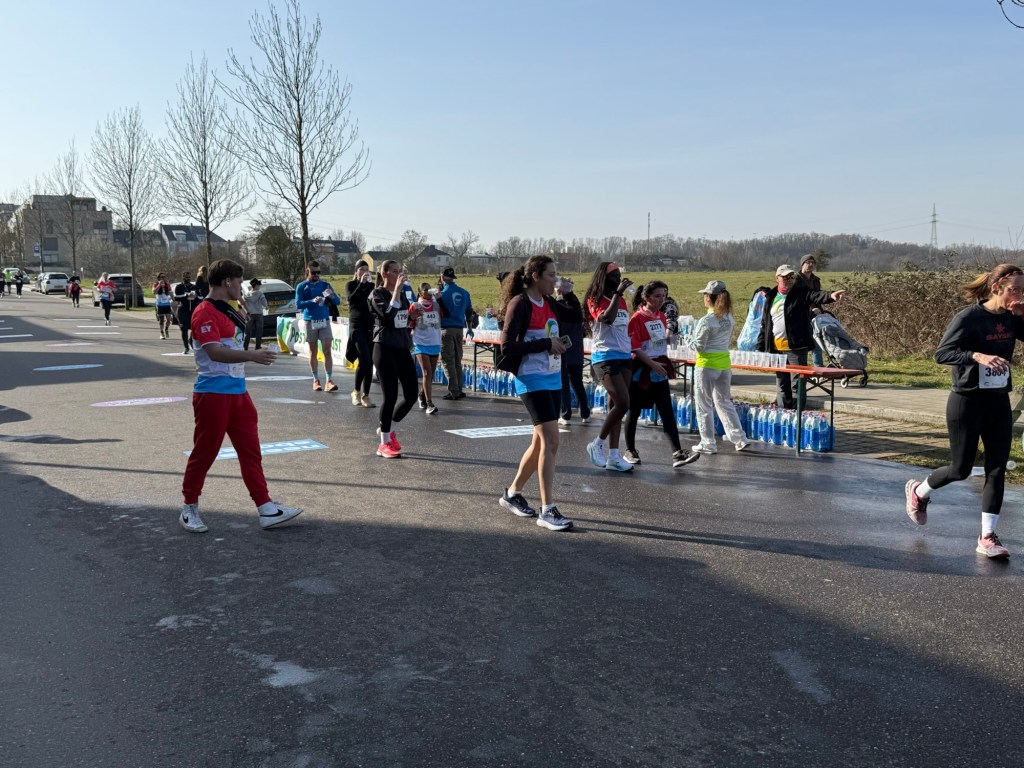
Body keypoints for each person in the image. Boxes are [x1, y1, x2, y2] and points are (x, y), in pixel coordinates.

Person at [904, 264, 1024, 559]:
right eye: (1014, 290)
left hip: (998, 400)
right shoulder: (969, 317)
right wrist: (977, 356)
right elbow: (942, 353)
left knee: (997, 469)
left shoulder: (1013, 317)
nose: (1019, 295)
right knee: (961, 470)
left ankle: (987, 537)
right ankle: (919, 492)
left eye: (1023, 290)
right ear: (996, 288)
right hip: (966, 401)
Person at [178, 259, 302, 533]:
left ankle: (265, 508)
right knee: (205, 454)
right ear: (227, 282)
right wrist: (252, 356)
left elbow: (231, 344)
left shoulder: (231, 308)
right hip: (212, 394)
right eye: (239, 282)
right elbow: (214, 352)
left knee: (251, 452)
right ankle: (189, 507)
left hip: (239, 393)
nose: (241, 288)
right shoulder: (204, 311)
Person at [496, 255, 581, 531]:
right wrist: (546, 343)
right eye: (551, 275)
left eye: (556, 275)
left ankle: (512, 493)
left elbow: (575, 317)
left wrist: (569, 294)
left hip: (552, 377)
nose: (555, 280)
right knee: (552, 442)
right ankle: (547, 510)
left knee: (539, 444)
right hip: (531, 378)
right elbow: (507, 346)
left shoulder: (549, 302)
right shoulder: (520, 303)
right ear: (535, 276)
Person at [620, 281, 700, 469]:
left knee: (667, 412)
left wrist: (668, 340)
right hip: (642, 369)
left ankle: (677, 453)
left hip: (659, 367)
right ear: (646, 297)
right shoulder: (637, 319)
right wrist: (652, 364)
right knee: (634, 410)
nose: (661, 300)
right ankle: (630, 450)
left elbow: (657, 340)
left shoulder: (661, 316)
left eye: (664, 296)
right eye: (657, 296)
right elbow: (635, 347)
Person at [756, 264, 844, 409]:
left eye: (791, 276)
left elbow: (816, 295)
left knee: (797, 385)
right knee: (782, 385)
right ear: (777, 278)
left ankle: (798, 416)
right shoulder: (771, 297)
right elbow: (765, 324)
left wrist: (830, 296)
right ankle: (784, 415)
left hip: (796, 348)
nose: (789, 279)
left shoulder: (801, 293)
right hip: (776, 348)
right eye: (785, 277)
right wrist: (760, 346)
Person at [582, 262, 634, 472]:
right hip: (605, 356)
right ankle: (597, 444)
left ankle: (613, 456)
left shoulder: (621, 301)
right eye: (614, 276)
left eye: (619, 275)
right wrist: (618, 294)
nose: (618, 279)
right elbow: (607, 318)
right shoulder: (594, 299)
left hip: (624, 355)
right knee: (623, 403)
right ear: (604, 277)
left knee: (616, 408)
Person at [690, 280, 751, 455]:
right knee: (724, 402)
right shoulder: (728, 318)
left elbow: (699, 346)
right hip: (724, 364)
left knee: (704, 405)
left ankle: (708, 442)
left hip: (706, 365)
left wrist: (687, 339)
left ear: (709, 298)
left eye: (705, 295)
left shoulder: (707, 320)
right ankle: (739, 438)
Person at [369, 260, 419, 458]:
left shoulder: (403, 295)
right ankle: (383, 444)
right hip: (384, 348)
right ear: (384, 274)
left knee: (411, 394)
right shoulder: (376, 294)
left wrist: (412, 316)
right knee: (390, 396)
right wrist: (397, 291)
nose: (399, 275)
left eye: (400, 272)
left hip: (402, 347)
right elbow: (388, 315)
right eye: (395, 272)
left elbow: (401, 320)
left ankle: (389, 430)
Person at [295, 260, 341, 392]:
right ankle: (315, 380)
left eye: (318, 272)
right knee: (313, 351)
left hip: (324, 321)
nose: (316, 275)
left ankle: (329, 380)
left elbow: (337, 301)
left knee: (327, 350)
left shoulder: (325, 285)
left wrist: (331, 296)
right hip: (310, 321)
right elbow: (298, 304)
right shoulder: (302, 286)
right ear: (307, 272)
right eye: (313, 272)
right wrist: (312, 301)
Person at [553, 277, 590, 427]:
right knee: (577, 383)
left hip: (563, 350)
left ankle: (565, 414)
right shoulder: (576, 307)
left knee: (564, 383)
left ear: (559, 290)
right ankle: (585, 413)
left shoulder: (558, 306)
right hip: (577, 350)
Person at [437, 266, 474, 400]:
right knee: (458, 360)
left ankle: (454, 390)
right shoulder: (464, 293)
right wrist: (469, 328)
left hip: (446, 329)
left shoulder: (441, 294)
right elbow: (469, 312)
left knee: (448, 361)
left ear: (442, 277)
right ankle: (459, 388)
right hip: (460, 329)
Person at [345, 260, 376, 408]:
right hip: (357, 327)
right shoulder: (351, 285)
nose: (365, 272)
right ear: (356, 271)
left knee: (370, 362)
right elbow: (352, 300)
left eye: (367, 269)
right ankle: (356, 391)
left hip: (370, 326)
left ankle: (366, 395)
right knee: (364, 358)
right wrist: (361, 284)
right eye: (362, 269)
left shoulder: (371, 286)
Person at [410, 282, 442, 414]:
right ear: (420, 292)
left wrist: (440, 298)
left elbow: (447, 313)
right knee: (427, 373)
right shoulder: (415, 305)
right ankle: (429, 403)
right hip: (420, 343)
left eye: (429, 289)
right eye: (425, 289)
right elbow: (409, 322)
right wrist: (412, 320)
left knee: (430, 375)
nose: (428, 291)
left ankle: (421, 394)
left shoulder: (436, 305)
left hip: (434, 342)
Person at [797, 255, 825, 366]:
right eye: (808, 262)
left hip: (815, 316)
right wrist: (812, 308)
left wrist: (819, 310)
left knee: (817, 342)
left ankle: (819, 368)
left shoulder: (816, 280)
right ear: (802, 264)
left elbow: (817, 296)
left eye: (812, 262)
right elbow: (801, 297)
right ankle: (800, 368)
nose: (811, 264)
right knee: (802, 345)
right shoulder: (796, 279)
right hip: (800, 315)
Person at [174, 271, 202, 354]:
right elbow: (176, 297)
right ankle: (186, 347)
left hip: (193, 311)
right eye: (186, 277)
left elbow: (201, 298)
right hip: (183, 310)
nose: (188, 279)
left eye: (189, 277)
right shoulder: (179, 287)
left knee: (194, 328)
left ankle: (191, 340)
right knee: (184, 329)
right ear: (183, 277)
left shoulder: (194, 287)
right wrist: (186, 295)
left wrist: (196, 296)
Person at [242, 278, 268, 350]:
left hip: (249, 314)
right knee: (259, 331)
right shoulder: (260, 294)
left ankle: (245, 347)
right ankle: (257, 346)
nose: (259, 286)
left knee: (247, 331)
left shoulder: (247, 294)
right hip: (258, 314)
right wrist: (266, 306)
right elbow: (264, 303)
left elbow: (243, 302)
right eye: (259, 285)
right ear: (255, 285)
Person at [153, 273, 174, 339]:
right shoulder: (155, 284)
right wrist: (159, 285)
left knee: (169, 319)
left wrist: (174, 299)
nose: (163, 278)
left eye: (164, 277)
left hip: (167, 303)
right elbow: (154, 292)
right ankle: (161, 333)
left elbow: (170, 292)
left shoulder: (167, 285)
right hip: (160, 304)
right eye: (161, 277)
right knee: (161, 320)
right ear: (158, 278)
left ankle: (166, 329)